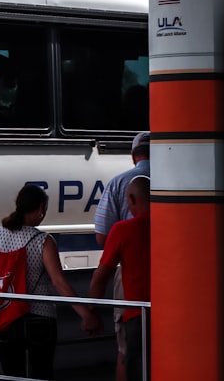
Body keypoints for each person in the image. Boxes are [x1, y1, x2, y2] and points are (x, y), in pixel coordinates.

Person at [0, 184, 89, 380]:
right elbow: (59, 283)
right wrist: (86, 313)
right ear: (41, 208)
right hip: (39, 319)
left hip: (4, 319)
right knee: (41, 373)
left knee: (11, 375)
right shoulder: (43, 241)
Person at [93, 131, 150, 381]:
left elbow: (102, 239)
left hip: (132, 285)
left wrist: (90, 312)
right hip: (173, 293)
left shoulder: (119, 182)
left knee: (125, 351)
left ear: (133, 156)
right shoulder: (177, 181)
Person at [81, 176, 151, 381]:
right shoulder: (172, 224)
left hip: (137, 315)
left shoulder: (122, 230)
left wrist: (91, 311)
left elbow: (101, 275)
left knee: (136, 368)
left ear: (130, 198)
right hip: (171, 312)